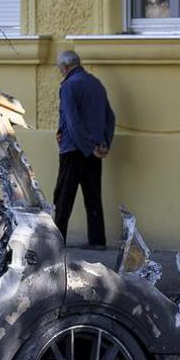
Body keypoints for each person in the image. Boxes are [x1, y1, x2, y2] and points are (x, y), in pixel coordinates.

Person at [53, 48, 116, 249]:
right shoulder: (96, 84)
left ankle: (57, 240)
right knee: (93, 195)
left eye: (59, 67)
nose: (60, 71)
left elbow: (72, 121)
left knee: (63, 196)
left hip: (73, 149)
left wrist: (87, 146)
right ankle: (97, 240)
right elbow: (110, 117)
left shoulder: (68, 86)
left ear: (66, 66)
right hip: (95, 150)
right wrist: (104, 144)